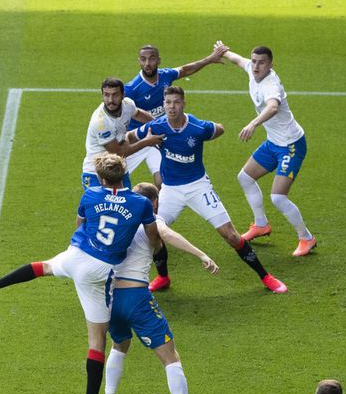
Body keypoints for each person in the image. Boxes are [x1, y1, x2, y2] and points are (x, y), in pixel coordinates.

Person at [0, 152, 160, 394]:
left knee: (41, 267)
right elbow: (152, 236)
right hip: (99, 270)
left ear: (102, 177)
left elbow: (80, 226)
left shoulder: (90, 195)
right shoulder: (141, 203)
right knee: (97, 341)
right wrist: (152, 249)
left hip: (75, 255)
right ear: (123, 173)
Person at [135, 86, 288, 294]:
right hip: (170, 190)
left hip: (198, 187)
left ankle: (266, 277)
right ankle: (163, 277)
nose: (171, 107)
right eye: (168, 102)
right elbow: (130, 138)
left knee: (231, 236)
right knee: (153, 234)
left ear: (184, 103)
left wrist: (207, 136)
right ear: (163, 104)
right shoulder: (157, 126)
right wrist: (145, 141)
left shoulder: (197, 128)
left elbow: (219, 128)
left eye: (176, 102)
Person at [100, 182, 219, 394]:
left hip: (110, 298)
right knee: (170, 356)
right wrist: (201, 255)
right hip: (136, 297)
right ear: (154, 203)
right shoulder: (151, 219)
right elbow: (167, 235)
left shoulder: (116, 217)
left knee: (119, 345)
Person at [125, 43, 229, 292]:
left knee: (161, 180)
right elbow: (127, 115)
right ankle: (129, 222)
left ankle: (156, 227)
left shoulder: (167, 77)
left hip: (163, 139)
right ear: (139, 61)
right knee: (117, 174)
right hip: (143, 137)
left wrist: (211, 58)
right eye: (143, 59)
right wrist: (150, 127)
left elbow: (186, 69)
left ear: (158, 60)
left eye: (152, 59)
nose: (148, 63)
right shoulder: (131, 88)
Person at [217, 42, 316, 257]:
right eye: (254, 61)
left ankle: (306, 238)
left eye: (261, 63)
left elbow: (273, 106)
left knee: (278, 197)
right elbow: (237, 60)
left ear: (271, 65)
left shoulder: (271, 85)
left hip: (291, 145)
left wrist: (253, 124)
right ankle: (261, 224)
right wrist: (224, 52)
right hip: (274, 142)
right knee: (245, 177)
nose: (255, 66)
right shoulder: (252, 71)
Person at [80, 78, 162, 189]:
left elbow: (138, 114)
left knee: (126, 205)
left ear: (123, 95)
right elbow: (118, 152)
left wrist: (159, 124)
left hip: (118, 168)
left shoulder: (127, 104)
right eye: (106, 95)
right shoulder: (100, 122)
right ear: (102, 95)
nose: (110, 100)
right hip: (95, 172)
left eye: (115, 95)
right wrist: (147, 142)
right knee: (99, 206)